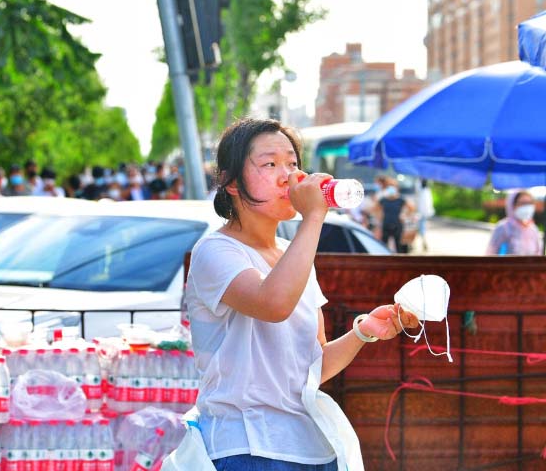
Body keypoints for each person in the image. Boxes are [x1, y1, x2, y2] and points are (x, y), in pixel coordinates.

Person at [185, 118, 418, 470]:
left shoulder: (291, 254)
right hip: (246, 446)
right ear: (232, 183)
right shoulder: (215, 250)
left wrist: (363, 331)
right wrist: (313, 217)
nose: (288, 176)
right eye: (270, 164)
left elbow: (312, 366)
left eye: (293, 163)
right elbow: (272, 304)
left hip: (310, 445)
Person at [486, 190, 542, 255]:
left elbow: (538, 254)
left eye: (530, 203)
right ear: (512, 205)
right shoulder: (503, 228)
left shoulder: (533, 229)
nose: (527, 207)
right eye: (523, 203)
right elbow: (491, 254)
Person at [374, 180, 415, 253]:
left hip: (397, 225)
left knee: (398, 246)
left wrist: (404, 216)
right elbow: (375, 209)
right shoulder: (383, 200)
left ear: (397, 188)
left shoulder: (401, 199)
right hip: (386, 224)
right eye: (389, 187)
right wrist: (379, 218)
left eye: (393, 187)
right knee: (384, 246)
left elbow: (412, 208)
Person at [415, 179, 435, 251]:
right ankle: (421, 241)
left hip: (421, 213)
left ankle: (423, 241)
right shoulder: (427, 191)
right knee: (420, 227)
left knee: (420, 227)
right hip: (424, 212)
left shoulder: (421, 192)